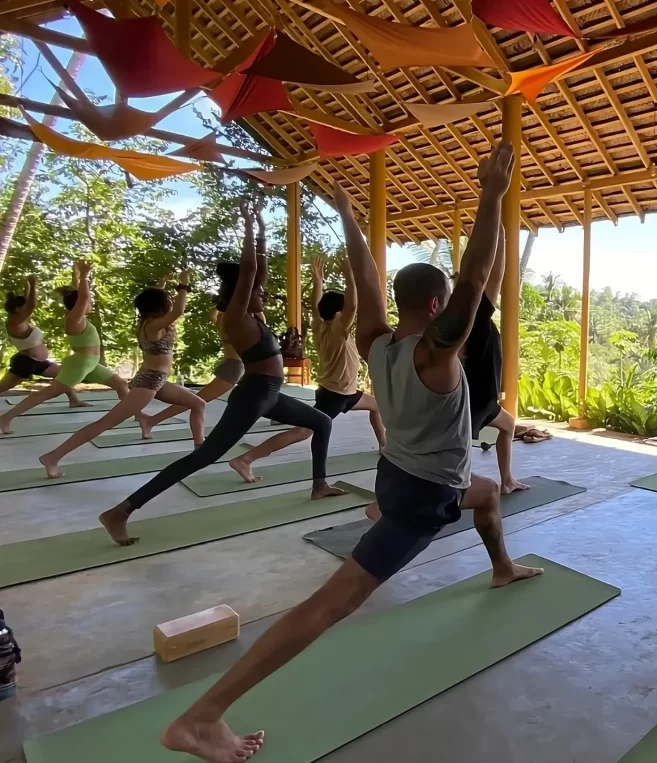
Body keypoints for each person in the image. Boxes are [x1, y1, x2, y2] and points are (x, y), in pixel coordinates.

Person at [158, 143, 542, 763]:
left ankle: (500, 566)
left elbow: (367, 282)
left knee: (490, 493)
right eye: (452, 307)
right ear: (440, 309)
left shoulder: (377, 344)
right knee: (330, 605)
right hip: (421, 496)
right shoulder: (435, 355)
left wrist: (346, 214)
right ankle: (201, 716)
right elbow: (474, 280)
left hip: (393, 478)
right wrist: (492, 196)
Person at [99, 206, 343, 547]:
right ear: (239, 296)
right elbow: (249, 274)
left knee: (322, 422)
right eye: (258, 292)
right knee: (205, 455)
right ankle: (120, 511)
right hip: (254, 394)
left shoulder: (253, 315)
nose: (264, 294)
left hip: (268, 393)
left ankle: (319, 485)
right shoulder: (236, 317)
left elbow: (258, 275)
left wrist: (260, 231)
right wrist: (247, 228)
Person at [227, 251, 386, 483]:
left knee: (377, 406)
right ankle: (246, 459)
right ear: (340, 314)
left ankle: (383, 445)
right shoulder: (338, 331)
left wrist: (318, 281)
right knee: (303, 432)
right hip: (334, 396)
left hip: (346, 393)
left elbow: (315, 306)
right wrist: (350, 277)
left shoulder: (320, 326)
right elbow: (352, 304)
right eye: (347, 313)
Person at [38, 273, 207, 478]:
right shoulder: (154, 326)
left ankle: (200, 448)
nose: (171, 303)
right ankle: (53, 456)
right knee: (106, 423)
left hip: (157, 379)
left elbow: (166, 304)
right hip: (149, 381)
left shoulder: (149, 322)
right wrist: (183, 284)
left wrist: (161, 285)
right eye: (167, 301)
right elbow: (179, 310)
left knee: (198, 404)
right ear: (160, 307)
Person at [0, 261, 129, 434]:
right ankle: (5, 418)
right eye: (89, 301)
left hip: (90, 363)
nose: (91, 303)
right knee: (45, 394)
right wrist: (84, 276)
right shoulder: (74, 319)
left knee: (120, 383)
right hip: (80, 364)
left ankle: (135, 413)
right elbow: (82, 298)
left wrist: (76, 274)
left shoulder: (78, 316)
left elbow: (79, 296)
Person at [460, 223, 528, 494]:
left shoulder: (469, 318)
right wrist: (499, 236)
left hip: (483, 399)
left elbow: (476, 269)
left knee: (509, 424)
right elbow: (493, 273)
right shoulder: (475, 317)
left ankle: (507, 480)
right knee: (458, 451)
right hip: (474, 399)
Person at [136, 306, 245, 440]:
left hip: (236, 366)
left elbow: (213, 316)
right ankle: (152, 421)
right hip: (233, 369)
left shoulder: (223, 321)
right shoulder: (233, 323)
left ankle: (152, 421)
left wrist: (219, 306)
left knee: (261, 398)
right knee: (198, 401)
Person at [2, 276, 87, 407]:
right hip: (26, 362)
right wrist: (33, 283)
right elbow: (31, 305)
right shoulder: (15, 322)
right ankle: (74, 400)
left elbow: (27, 304)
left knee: (63, 376)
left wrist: (28, 287)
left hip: (37, 361)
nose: (27, 308)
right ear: (17, 309)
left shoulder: (21, 319)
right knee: (4, 386)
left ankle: (74, 400)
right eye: (23, 306)